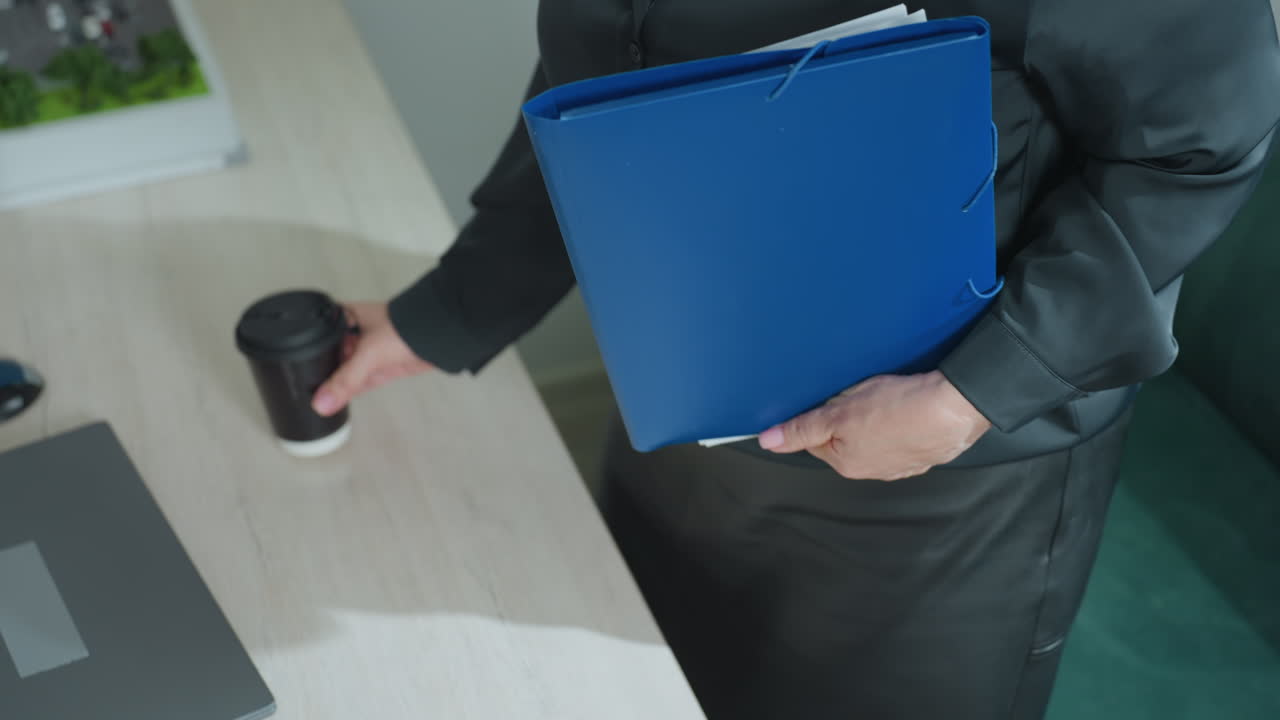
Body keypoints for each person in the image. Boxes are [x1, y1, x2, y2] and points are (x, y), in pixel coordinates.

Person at [312, 2, 1280, 718]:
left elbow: (1196, 143)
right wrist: (451, 312)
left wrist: (976, 390)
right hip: (684, 402)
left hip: (942, 466)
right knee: (659, 678)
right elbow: (608, 87)